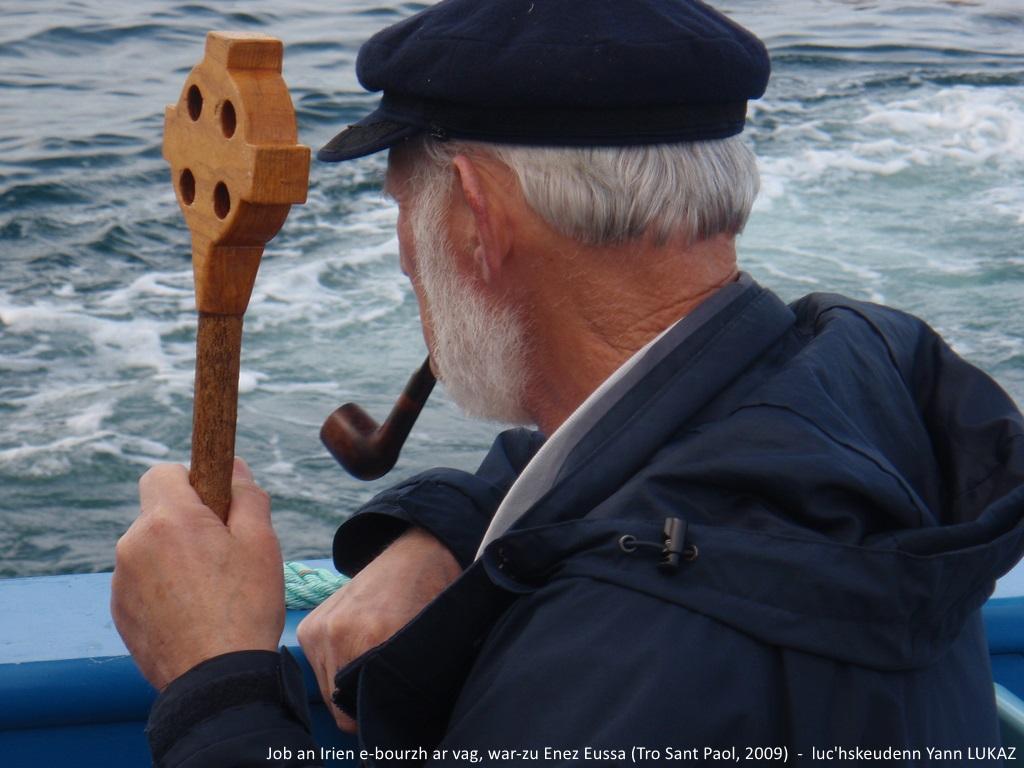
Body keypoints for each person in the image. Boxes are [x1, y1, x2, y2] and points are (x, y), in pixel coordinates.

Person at [112, 0, 1024, 766]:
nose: (405, 256)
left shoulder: (611, 660)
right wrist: (451, 534)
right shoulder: (868, 377)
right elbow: (664, 450)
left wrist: (215, 682)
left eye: (403, 207)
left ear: (476, 221)